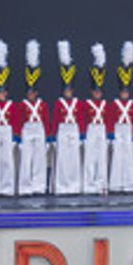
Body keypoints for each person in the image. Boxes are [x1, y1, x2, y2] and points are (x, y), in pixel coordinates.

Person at [52, 42, 83, 195]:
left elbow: (81, 119)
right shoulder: (59, 102)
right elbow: (55, 119)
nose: (68, 92)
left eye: (70, 90)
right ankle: (61, 186)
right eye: (66, 90)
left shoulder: (78, 102)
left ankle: (74, 186)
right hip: (63, 129)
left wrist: (82, 134)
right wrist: (52, 136)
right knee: (63, 160)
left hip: (74, 128)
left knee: (74, 159)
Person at [107, 42, 133, 193]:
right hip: (118, 130)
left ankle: (129, 184)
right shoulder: (115, 104)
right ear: (120, 93)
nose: (125, 94)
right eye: (123, 92)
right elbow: (111, 118)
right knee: (117, 157)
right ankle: (115, 184)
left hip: (129, 129)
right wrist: (111, 135)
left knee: (129, 158)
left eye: (127, 92)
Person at [14, 77, 51, 195]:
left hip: (39, 129)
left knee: (39, 159)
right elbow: (18, 121)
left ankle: (39, 186)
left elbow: (46, 120)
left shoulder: (42, 104)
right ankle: (25, 187)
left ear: (36, 93)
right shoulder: (22, 105)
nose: (31, 95)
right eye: (29, 93)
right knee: (26, 159)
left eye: (33, 93)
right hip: (27, 129)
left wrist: (48, 137)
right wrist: (18, 138)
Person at [81, 45, 110, 194]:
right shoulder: (87, 103)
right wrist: (82, 134)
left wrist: (110, 135)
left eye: (99, 91)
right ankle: (88, 185)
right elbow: (83, 118)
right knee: (90, 158)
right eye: (95, 91)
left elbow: (109, 119)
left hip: (102, 129)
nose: (97, 93)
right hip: (91, 129)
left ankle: (102, 185)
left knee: (101, 158)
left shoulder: (105, 104)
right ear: (92, 92)